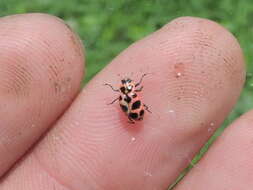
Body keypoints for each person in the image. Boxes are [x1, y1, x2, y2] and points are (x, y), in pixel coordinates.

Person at [0, 13, 250, 190]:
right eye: (129, 87)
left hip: (133, 117)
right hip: (133, 117)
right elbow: (131, 101)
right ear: (129, 89)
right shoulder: (130, 95)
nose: (129, 88)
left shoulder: (124, 96)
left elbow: (128, 103)